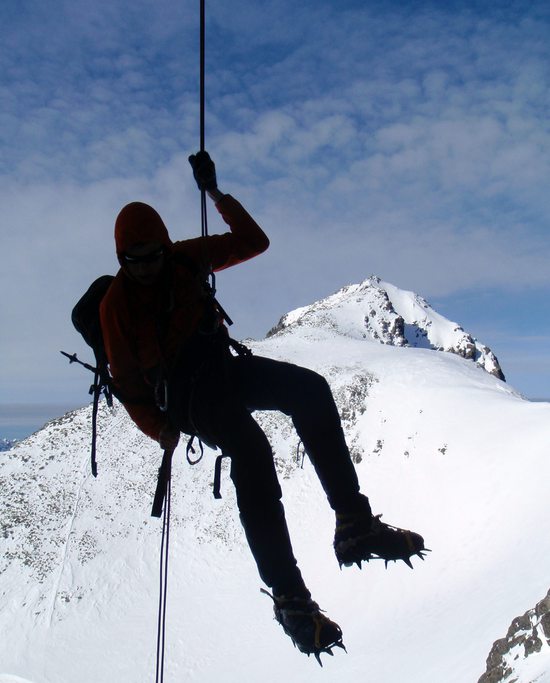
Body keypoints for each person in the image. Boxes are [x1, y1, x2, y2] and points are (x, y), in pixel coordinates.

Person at [99, 151, 426, 663]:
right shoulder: (115, 304)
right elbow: (127, 382)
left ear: (164, 244)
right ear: (120, 258)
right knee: (251, 449)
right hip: (187, 396)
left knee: (310, 390)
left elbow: (255, 242)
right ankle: (290, 598)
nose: (143, 268)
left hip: (222, 370)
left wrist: (215, 194)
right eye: (131, 260)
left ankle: (354, 523)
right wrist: (160, 429)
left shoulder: (185, 258)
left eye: (150, 255)